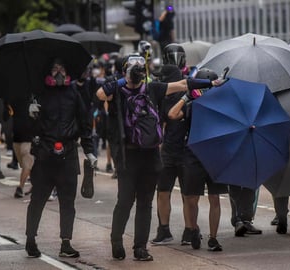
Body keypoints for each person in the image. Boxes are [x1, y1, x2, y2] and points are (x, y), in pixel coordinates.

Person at [96, 55, 225, 261]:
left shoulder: (152, 88)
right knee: (125, 200)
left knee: (145, 203)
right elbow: (100, 94)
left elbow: (183, 84)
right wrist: (125, 79)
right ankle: (116, 240)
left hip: (151, 154)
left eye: (140, 67)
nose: (138, 70)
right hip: (128, 156)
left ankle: (140, 248)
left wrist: (211, 82)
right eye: (132, 67)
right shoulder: (117, 91)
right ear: (124, 70)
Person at [25, 58, 96, 258]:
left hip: (69, 152)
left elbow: (85, 122)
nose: (58, 73)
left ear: (67, 72)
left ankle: (66, 242)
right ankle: (31, 239)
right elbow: (28, 128)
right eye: (55, 68)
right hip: (45, 153)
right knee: (37, 199)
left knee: (68, 202)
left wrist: (89, 150)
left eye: (62, 68)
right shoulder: (38, 92)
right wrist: (30, 113)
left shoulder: (74, 92)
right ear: (49, 71)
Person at [167, 68, 227, 252]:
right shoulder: (191, 105)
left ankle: (213, 238)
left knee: (215, 197)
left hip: (215, 155)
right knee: (191, 198)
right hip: (193, 155)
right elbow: (171, 114)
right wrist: (187, 96)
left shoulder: (222, 106)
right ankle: (192, 229)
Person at [150, 64, 191, 245]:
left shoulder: (187, 99)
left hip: (183, 152)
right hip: (167, 152)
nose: (159, 81)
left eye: (162, 78)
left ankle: (190, 230)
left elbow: (174, 116)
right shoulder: (161, 99)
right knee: (163, 192)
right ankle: (164, 230)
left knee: (187, 195)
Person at [5, 101, 34, 198]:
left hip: (28, 137)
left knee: (27, 164)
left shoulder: (34, 98)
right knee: (25, 165)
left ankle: (20, 187)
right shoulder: (12, 99)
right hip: (17, 137)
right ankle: (34, 185)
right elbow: (5, 116)